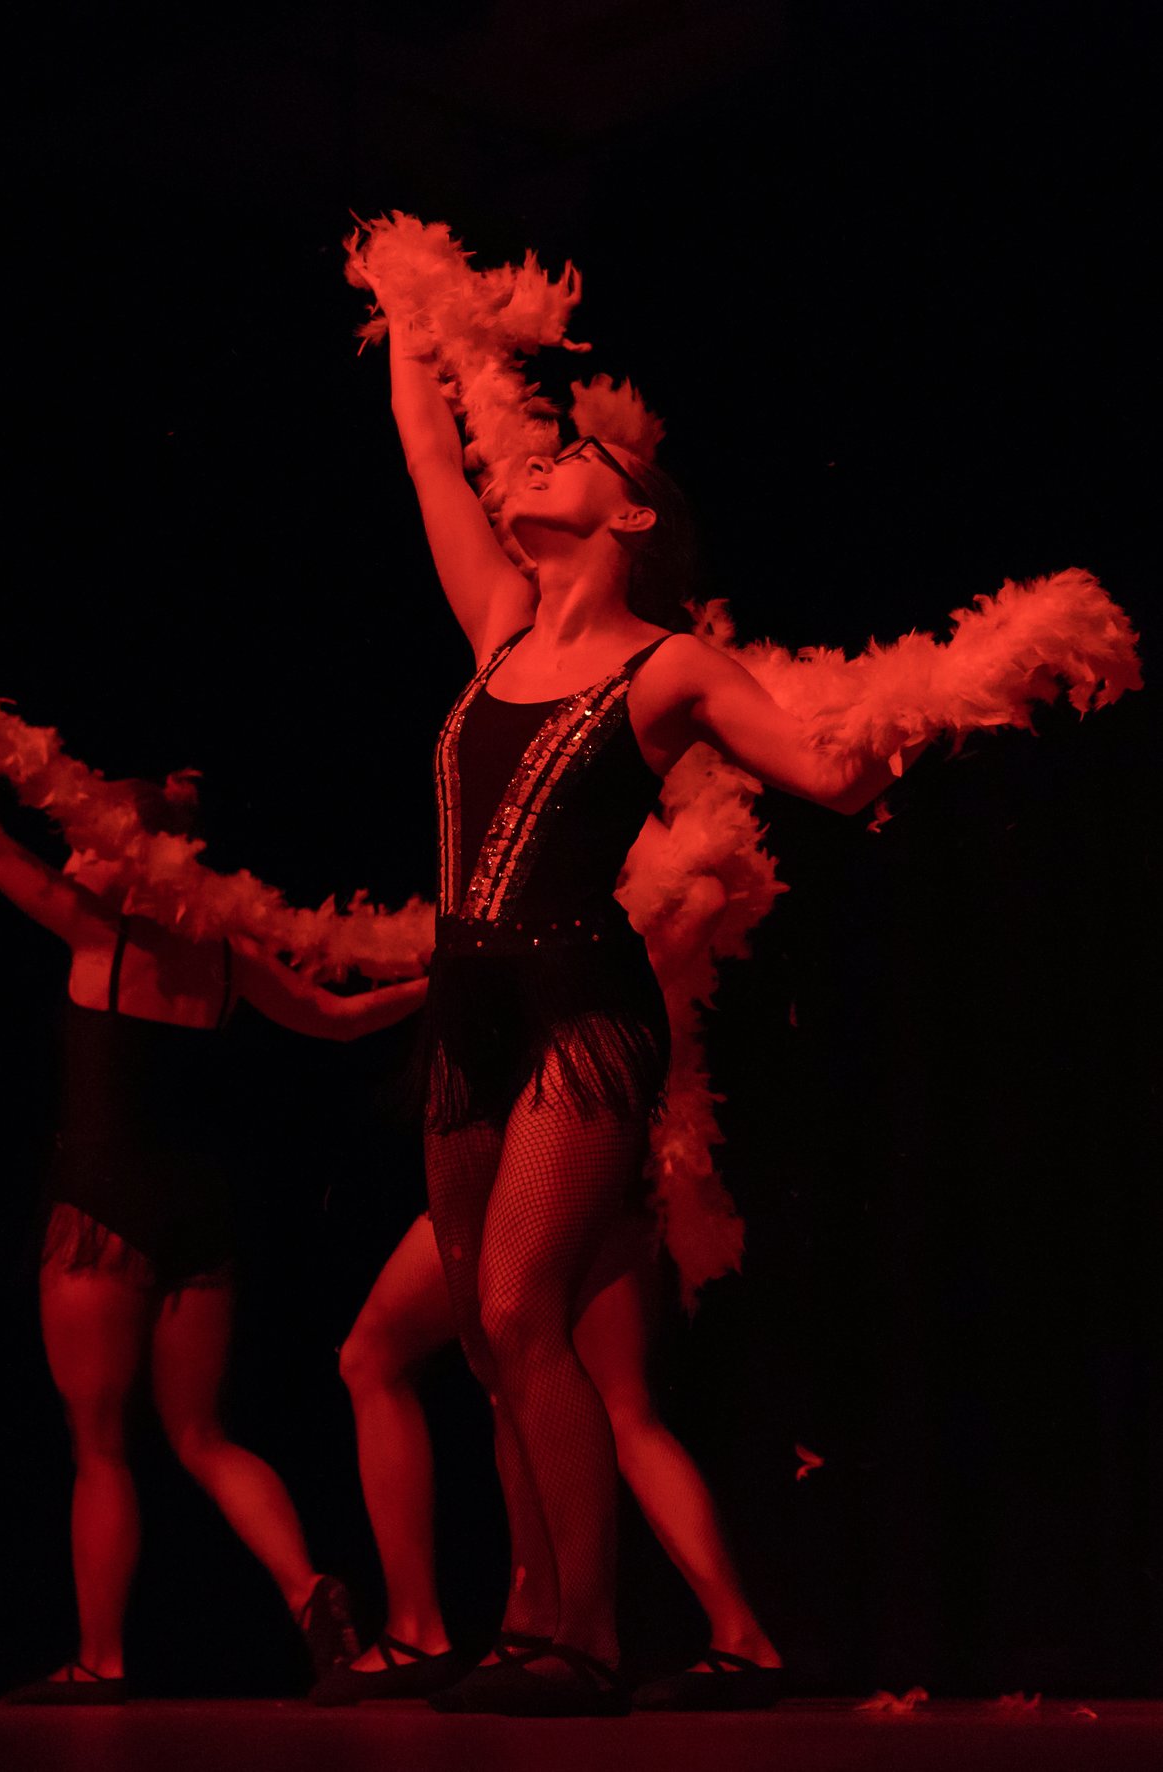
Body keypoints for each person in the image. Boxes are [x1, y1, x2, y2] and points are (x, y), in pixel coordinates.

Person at [379, 313, 922, 1716]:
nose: (538, 457)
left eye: (574, 456)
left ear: (630, 514)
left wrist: (937, 699)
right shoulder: (498, 620)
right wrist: (405, 299)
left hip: (580, 1006)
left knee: (520, 1301)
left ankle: (588, 1637)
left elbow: (826, 774)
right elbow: (430, 454)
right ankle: (531, 1618)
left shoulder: (670, 664)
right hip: (466, 1005)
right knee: (492, 1342)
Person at [0, 787, 426, 1703]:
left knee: (100, 1446)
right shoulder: (226, 955)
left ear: (132, 853)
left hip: (103, 1207)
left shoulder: (100, 932)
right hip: (199, 1212)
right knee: (202, 1435)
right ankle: (307, 1588)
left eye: (88, 842)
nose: (73, 857)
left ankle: (100, 1658)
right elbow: (336, 1019)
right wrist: (440, 986)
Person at [318, 860, 783, 1711]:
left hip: (575, 1129)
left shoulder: (617, 844)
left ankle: (455, 1624)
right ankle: (726, 1632)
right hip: (591, 1133)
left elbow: (696, 908)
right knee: (605, 1401)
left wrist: (571, 966)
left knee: (411, 1351)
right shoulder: (546, 852)